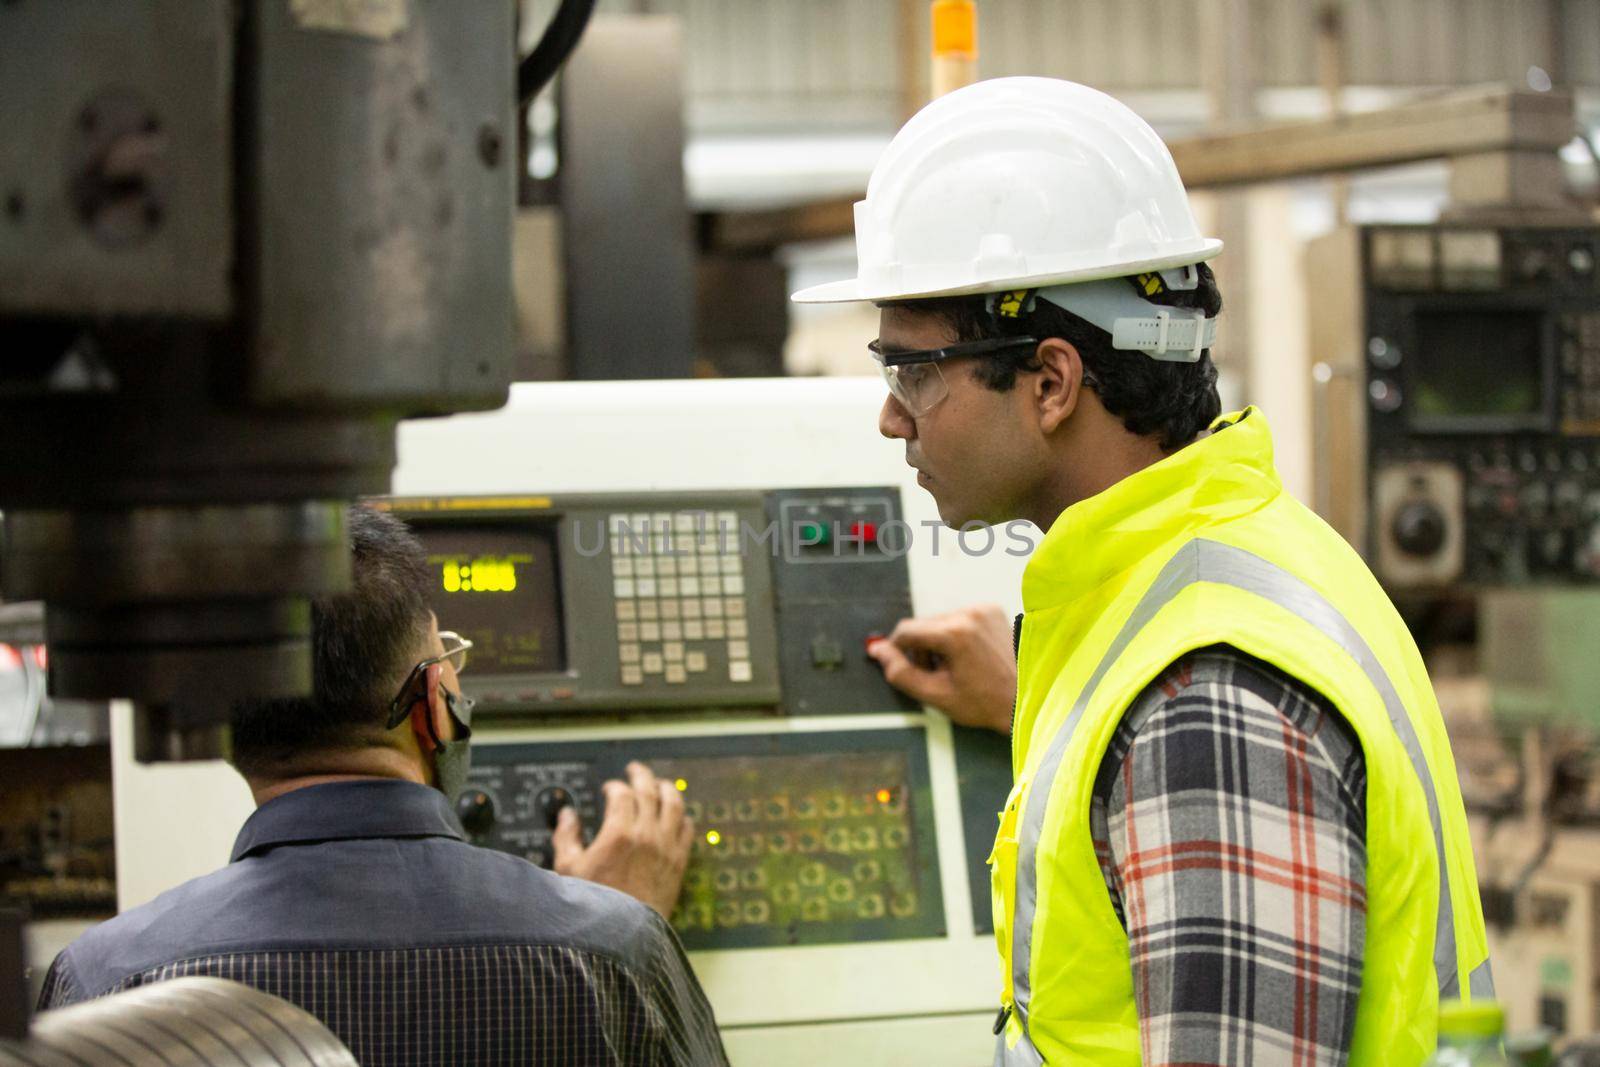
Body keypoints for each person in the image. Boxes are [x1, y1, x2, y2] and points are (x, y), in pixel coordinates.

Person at [794, 77, 1492, 1066]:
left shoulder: (1201, 695)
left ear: (1048, 381)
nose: (891, 415)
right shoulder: (1223, 567)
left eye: (912, 371)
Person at [38, 505, 728, 1067]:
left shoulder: (106, 984)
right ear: (433, 700)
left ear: (223, 730)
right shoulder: (616, 953)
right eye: (447, 657)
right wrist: (616, 923)